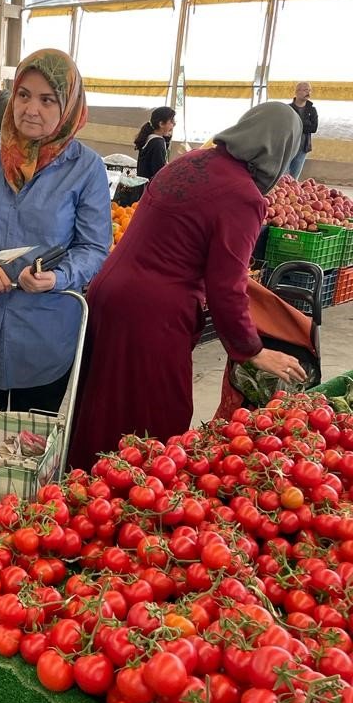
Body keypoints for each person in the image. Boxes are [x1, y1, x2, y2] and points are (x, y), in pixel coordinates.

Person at [68, 102, 306, 468]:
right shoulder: (243, 196)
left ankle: (82, 492)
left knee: (103, 405)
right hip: (151, 314)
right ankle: (131, 504)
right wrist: (252, 350)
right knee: (156, 416)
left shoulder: (190, 161)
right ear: (282, 149)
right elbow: (226, 286)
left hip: (108, 292)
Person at [0, 49, 112, 413]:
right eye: (23, 95)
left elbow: (95, 247)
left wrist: (58, 276)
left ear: (68, 106)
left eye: (47, 100)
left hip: (43, 331)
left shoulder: (86, 168)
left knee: (31, 448)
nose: (31, 109)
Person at [286, 81, 318, 180]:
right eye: (305, 90)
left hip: (303, 148)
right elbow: (285, 127)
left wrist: (297, 125)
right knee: (283, 175)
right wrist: (304, 126)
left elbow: (314, 128)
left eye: (309, 90)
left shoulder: (312, 110)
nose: (308, 92)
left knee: (294, 177)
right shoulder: (288, 109)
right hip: (288, 147)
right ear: (297, 92)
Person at [134, 106, 176, 180]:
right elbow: (159, 172)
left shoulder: (150, 138)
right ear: (161, 124)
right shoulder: (158, 142)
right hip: (150, 187)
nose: (174, 124)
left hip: (143, 185)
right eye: (172, 121)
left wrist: (166, 139)